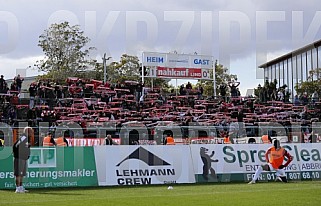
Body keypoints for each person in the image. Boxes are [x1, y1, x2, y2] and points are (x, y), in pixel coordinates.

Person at [13, 126, 32, 193]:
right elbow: (16, 145)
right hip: (19, 158)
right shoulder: (23, 137)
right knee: (18, 173)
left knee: (22, 174)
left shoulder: (27, 138)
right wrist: (17, 154)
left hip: (24, 158)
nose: (32, 133)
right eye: (31, 131)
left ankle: (21, 187)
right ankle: (17, 188)